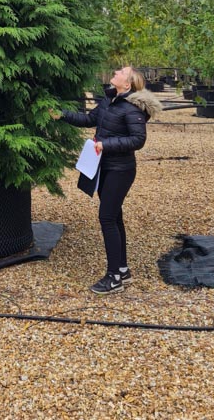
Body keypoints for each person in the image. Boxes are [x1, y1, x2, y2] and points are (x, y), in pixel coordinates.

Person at [57, 65, 162, 295]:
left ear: (128, 84)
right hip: (103, 167)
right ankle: (122, 270)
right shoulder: (108, 100)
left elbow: (138, 140)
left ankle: (113, 277)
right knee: (115, 217)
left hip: (120, 170)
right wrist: (62, 114)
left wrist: (105, 145)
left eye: (121, 72)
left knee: (106, 218)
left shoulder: (132, 108)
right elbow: (88, 120)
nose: (115, 72)